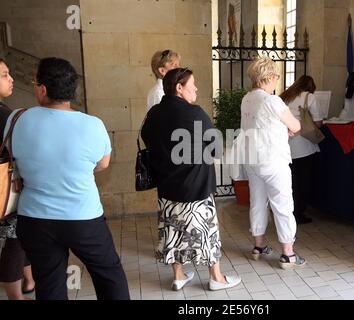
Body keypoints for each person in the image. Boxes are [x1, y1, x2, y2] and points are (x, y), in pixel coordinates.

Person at [4, 57, 130, 300]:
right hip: (83, 218)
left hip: (35, 218)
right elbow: (102, 164)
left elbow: (13, 158)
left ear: (42, 89)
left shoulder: (17, 118)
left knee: (49, 282)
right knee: (108, 274)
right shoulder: (92, 124)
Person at [141, 67, 241, 291]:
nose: (195, 88)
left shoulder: (154, 114)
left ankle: (178, 275)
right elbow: (216, 149)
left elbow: (148, 140)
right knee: (206, 230)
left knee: (172, 229)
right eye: (192, 84)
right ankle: (216, 277)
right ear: (179, 88)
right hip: (196, 186)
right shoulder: (194, 113)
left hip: (167, 186)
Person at [241, 57, 306, 270]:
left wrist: (281, 130)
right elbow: (296, 125)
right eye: (276, 76)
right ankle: (288, 254)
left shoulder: (247, 99)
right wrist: (288, 128)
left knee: (257, 201)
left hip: (253, 159)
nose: (277, 80)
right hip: (273, 160)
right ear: (268, 77)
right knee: (283, 205)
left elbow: (262, 126)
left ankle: (258, 247)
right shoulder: (272, 100)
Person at [0, 58, 35, 300]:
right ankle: (16, 295)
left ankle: (29, 280)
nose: (11, 79)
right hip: (5, 192)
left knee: (19, 237)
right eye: (4, 75)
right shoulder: (4, 115)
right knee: (14, 240)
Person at [280, 75, 323, 225]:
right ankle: (298, 213)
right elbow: (318, 122)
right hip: (303, 145)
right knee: (303, 181)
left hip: (285, 144)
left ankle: (286, 212)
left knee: (290, 181)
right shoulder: (309, 97)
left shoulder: (285, 96)